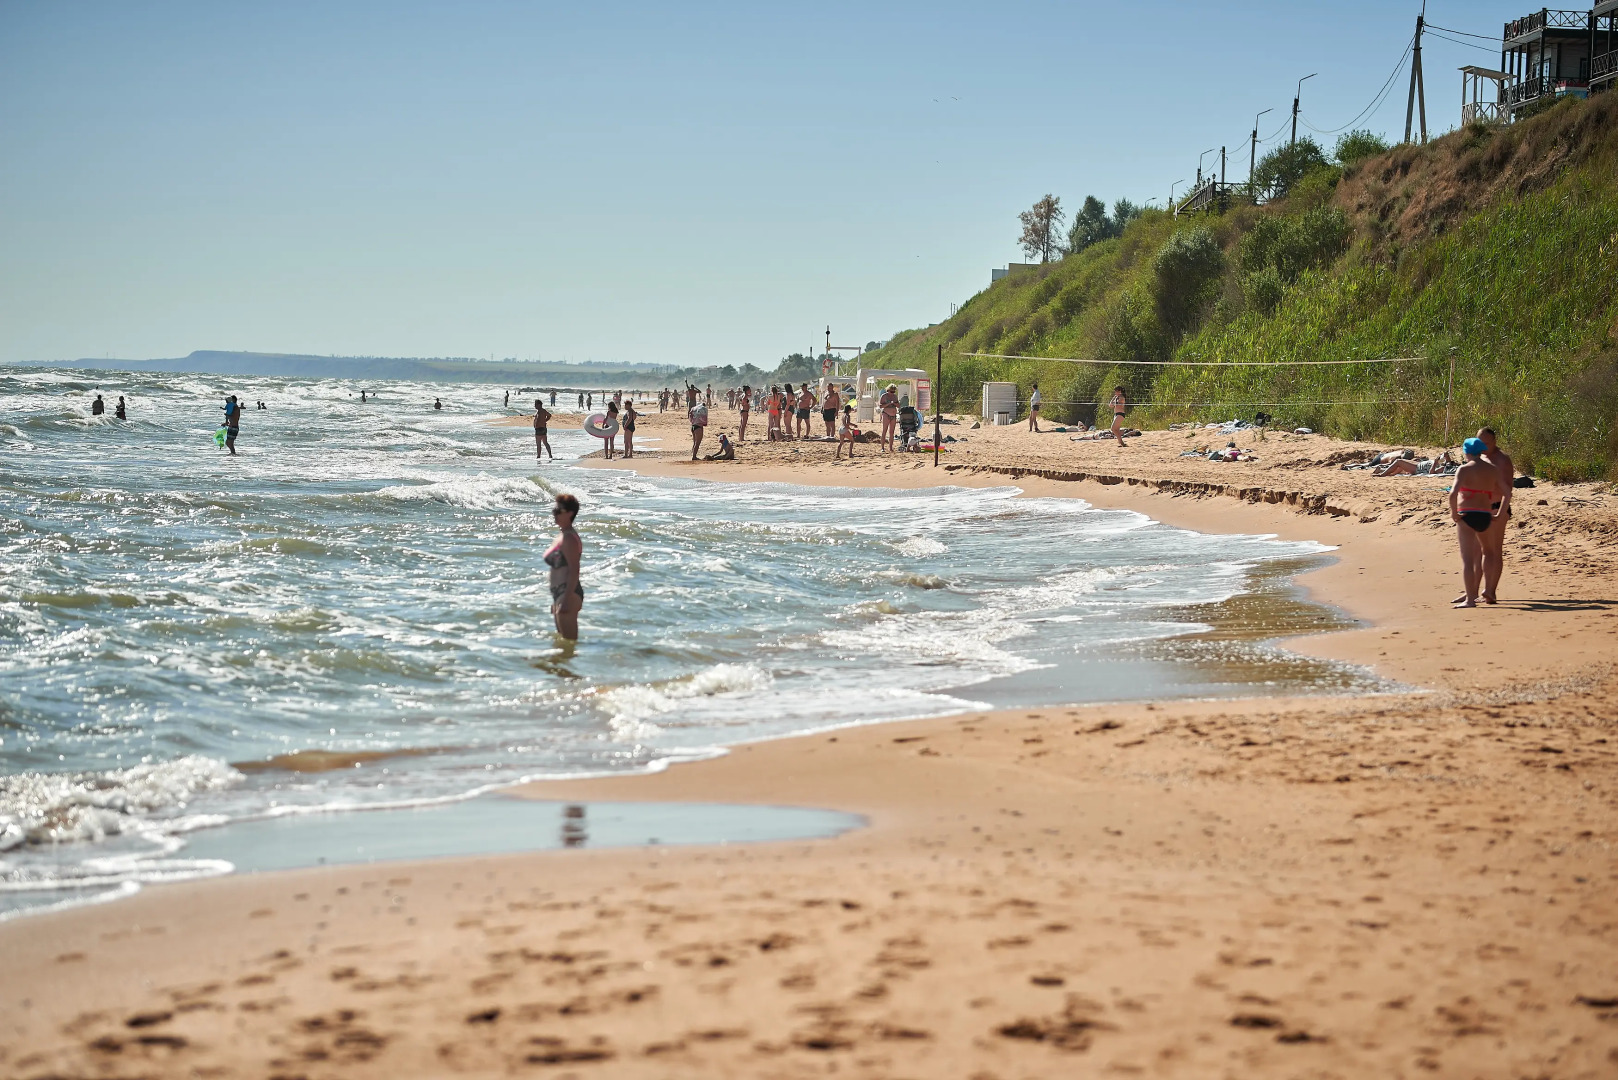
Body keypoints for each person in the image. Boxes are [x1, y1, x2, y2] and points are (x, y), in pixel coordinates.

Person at [1449, 437, 1504, 609]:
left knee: (1468, 560)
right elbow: (1507, 493)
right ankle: (1488, 589)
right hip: (1485, 514)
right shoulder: (1492, 470)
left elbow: (1452, 494)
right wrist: (1500, 513)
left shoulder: (1464, 469)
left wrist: (1454, 513)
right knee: (1488, 552)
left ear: (1466, 452)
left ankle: (1470, 599)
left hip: (1466, 514)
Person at [1476, 427, 1515, 605]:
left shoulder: (1502, 460)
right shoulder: (1479, 456)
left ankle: (1491, 590)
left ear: (1494, 441)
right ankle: (1473, 591)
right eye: (1480, 442)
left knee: (1494, 550)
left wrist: (1500, 514)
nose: (1483, 446)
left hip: (1497, 507)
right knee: (1479, 552)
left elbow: (1508, 490)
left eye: (1486, 443)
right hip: (1479, 508)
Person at [545, 493, 584, 640]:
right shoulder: (562, 536)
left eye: (558, 511)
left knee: (569, 644)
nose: (554, 514)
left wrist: (566, 599)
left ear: (570, 513)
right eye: (554, 510)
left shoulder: (569, 538)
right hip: (560, 594)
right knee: (562, 644)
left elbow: (574, 570)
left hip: (568, 593)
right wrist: (556, 600)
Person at [879, 383, 899, 452]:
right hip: (886, 414)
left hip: (893, 415)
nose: (892, 393)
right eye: (891, 391)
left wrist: (894, 403)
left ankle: (890, 447)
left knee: (892, 432)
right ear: (888, 390)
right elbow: (880, 406)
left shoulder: (895, 396)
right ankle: (882, 447)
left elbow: (898, 405)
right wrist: (888, 404)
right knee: (884, 430)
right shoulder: (884, 396)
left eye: (893, 391)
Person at [689, 394, 708, 459]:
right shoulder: (703, 408)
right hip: (698, 426)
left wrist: (692, 422)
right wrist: (704, 424)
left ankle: (693, 454)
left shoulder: (693, 408)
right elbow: (704, 419)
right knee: (698, 443)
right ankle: (694, 456)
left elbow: (690, 416)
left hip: (693, 426)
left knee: (694, 442)